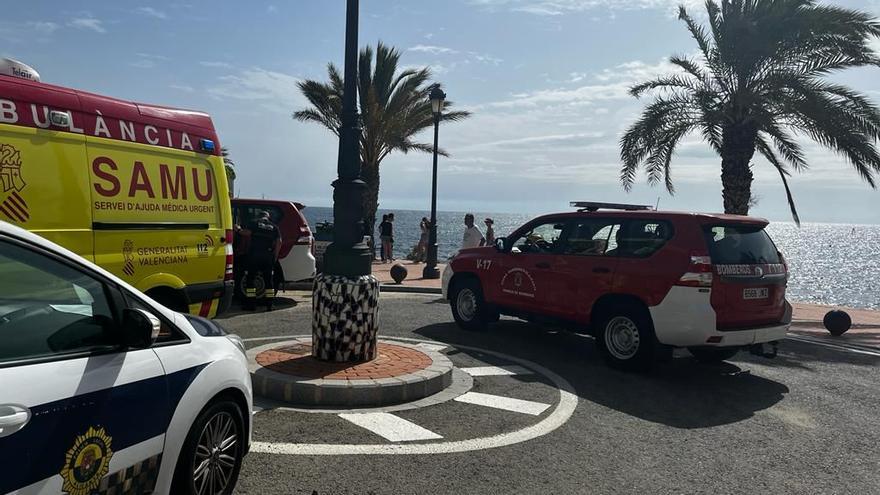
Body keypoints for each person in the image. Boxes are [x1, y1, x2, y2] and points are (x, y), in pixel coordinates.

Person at [243, 210, 281, 311]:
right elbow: (279, 242)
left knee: (251, 279)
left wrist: (238, 230)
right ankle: (270, 305)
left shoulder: (254, 223)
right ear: (268, 217)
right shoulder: (274, 227)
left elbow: (246, 233)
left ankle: (251, 305)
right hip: (267, 255)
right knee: (269, 281)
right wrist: (275, 257)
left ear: (259, 216)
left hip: (254, 254)